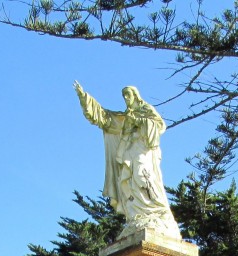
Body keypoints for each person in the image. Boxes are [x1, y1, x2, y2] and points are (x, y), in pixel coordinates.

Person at [74, 82, 181, 240]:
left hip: (143, 151)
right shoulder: (124, 118)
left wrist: (138, 121)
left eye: (128, 95)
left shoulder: (145, 111)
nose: (125, 98)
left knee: (142, 177)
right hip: (129, 153)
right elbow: (103, 118)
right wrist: (85, 98)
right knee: (130, 184)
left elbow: (159, 126)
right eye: (123, 96)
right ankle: (137, 216)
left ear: (136, 96)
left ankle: (155, 212)